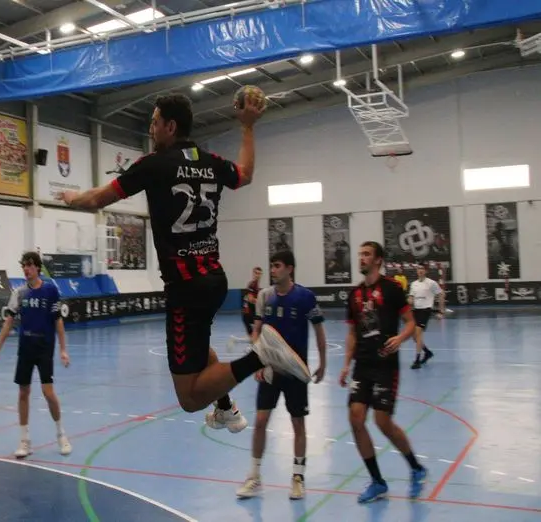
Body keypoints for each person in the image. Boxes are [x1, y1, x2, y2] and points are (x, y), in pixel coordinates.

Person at [57, 91, 311, 426]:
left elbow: (98, 199)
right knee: (200, 349)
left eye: (154, 122)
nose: (151, 129)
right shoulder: (211, 162)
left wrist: (73, 197)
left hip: (185, 287)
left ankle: (259, 357)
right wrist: (247, 126)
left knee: (189, 398)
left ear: (170, 126)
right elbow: (246, 173)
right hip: (213, 280)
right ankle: (225, 408)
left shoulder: (152, 165)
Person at [340, 241, 427, 503]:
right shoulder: (354, 294)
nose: (362, 258)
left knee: (382, 421)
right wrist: (346, 364)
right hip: (362, 365)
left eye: (366, 254)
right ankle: (378, 482)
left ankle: (415, 468)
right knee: (355, 419)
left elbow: (411, 322)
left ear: (378, 260)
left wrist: (400, 339)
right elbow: (353, 332)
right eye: (360, 254)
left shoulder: (392, 289)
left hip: (386, 366)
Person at [236, 251, 326, 500]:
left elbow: (319, 331)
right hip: (270, 371)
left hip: (296, 372)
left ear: (290, 269)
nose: (272, 270)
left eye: (276, 266)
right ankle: (254, 476)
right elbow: (256, 332)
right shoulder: (265, 296)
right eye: (271, 266)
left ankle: (298, 477)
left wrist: (323, 363)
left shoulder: (305, 297)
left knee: (298, 423)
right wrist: (258, 363)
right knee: (261, 422)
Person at [0, 252, 72, 458]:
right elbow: (8, 322)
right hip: (25, 348)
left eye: (30, 265)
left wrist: (63, 349)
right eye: (24, 265)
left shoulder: (50, 290)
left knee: (48, 392)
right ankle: (25, 441)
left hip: (44, 347)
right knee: (23, 392)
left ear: (38, 268)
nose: (26, 269)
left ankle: (61, 434)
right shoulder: (19, 293)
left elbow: (58, 320)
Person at [407, 264, 442, 369]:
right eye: (418, 269)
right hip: (415, 311)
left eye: (422, 269)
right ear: (417, 271)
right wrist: (409, 301)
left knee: (418, 334)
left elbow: (441, 294)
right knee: (414, 337)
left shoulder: (431, 283)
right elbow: (411, 297)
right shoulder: (413, 284)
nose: (420, 270)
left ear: (425, 271)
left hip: (425, 310)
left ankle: (417, 360)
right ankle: (427, 352)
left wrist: (441, 311)